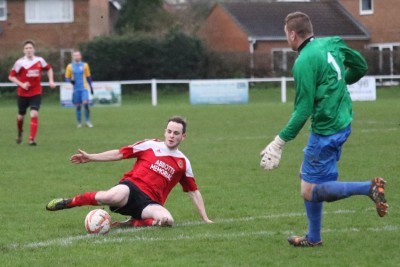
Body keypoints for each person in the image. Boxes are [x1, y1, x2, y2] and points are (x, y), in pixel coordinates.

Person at [260, 12, 388, 247]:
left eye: (285, 35)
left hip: (326, 130)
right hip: (343, 122)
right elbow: (360, 66)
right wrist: (337, 85)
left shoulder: (303, 61)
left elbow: (303, 110)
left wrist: (279, 142)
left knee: (310, 190)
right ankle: (314, 238)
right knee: (308, 177)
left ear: (292, 34)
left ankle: (368, 188)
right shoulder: (332, 42)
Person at [46, 116, 213, 227]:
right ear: (165, 131)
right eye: (169, 131)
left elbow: (193, 192)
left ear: (183, 137)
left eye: (176, 133)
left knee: (167, 220)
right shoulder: (151, 145)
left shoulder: (183, 163)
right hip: (131, 188)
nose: (171, 135)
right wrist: (91, 157)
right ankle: (69, 202)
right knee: (109, 197)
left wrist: (205, 218)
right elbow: (119, 153)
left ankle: (131, 223)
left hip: (150, 203)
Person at [9, 40, 56, 146]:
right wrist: (21, 84)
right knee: (21, 116)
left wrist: (51, 80)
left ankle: (31, 139)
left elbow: (49, 69)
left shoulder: (39, 60)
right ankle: (20, 132)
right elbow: (11, 76)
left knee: (34, 113)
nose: (29, 50)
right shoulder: (19, 62)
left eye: (30, 48)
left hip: (36, 92)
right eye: (26, 48)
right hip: (23, 93)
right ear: (23, 51)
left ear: (34, 49)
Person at [65, 50, 94, 128]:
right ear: (73, 57)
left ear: (80, 56)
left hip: (84, 88)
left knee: (85, 103)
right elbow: (67, 78)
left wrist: (91, 87)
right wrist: (71, 81)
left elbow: (88, 77)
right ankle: (79, 123)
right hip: (76, 89)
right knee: (78, 106)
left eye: (78, 55)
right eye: (75, 55)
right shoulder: (70, 66)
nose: (76, 57)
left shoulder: (85, 65)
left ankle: (88, 121)